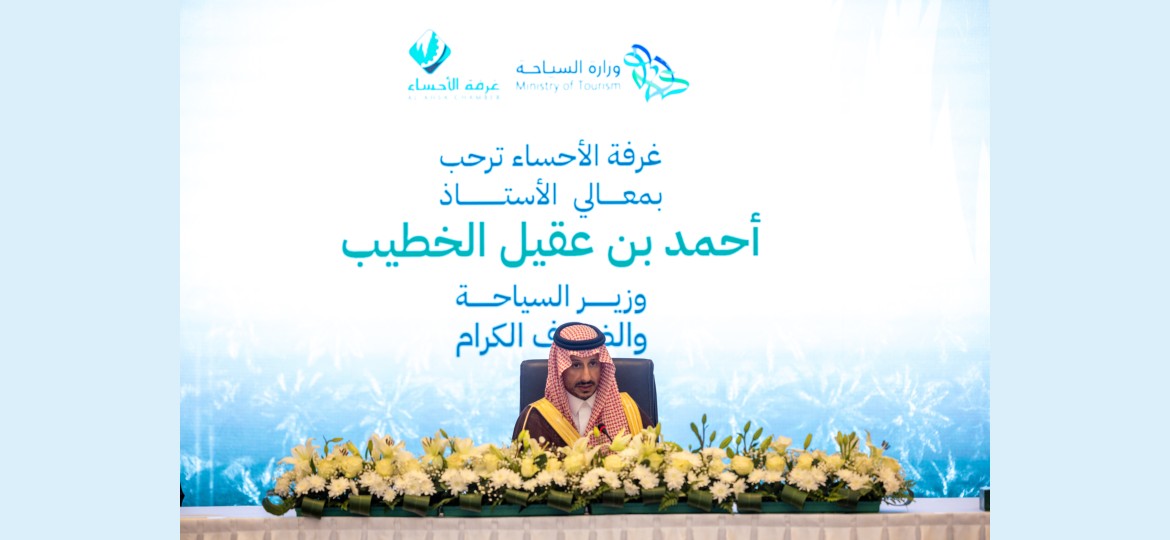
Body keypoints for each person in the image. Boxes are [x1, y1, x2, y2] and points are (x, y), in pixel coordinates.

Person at [512, 322, 650, 448]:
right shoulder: (535, 419)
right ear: (560, 368)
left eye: (593, 363)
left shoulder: (629, 411)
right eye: (576, 365)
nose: (586, 377)